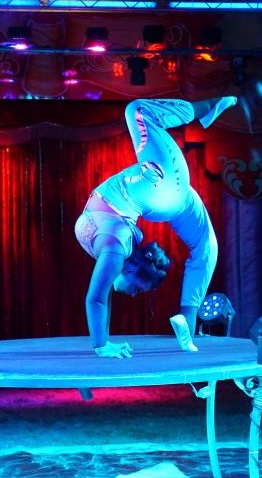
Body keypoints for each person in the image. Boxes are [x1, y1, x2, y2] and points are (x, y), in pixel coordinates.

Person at [74, 96, 238, 358]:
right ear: (131, 269)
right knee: (137, 110)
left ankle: (188, 324)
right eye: (139, 289)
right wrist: (102, 346)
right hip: (162, 188)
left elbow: (101, 297)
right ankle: (207, 108)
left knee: (206, 244)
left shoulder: (115, 252)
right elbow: (96, 299)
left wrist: (103, 343)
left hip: (164, 196)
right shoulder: (115, 251)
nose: (135, 295)